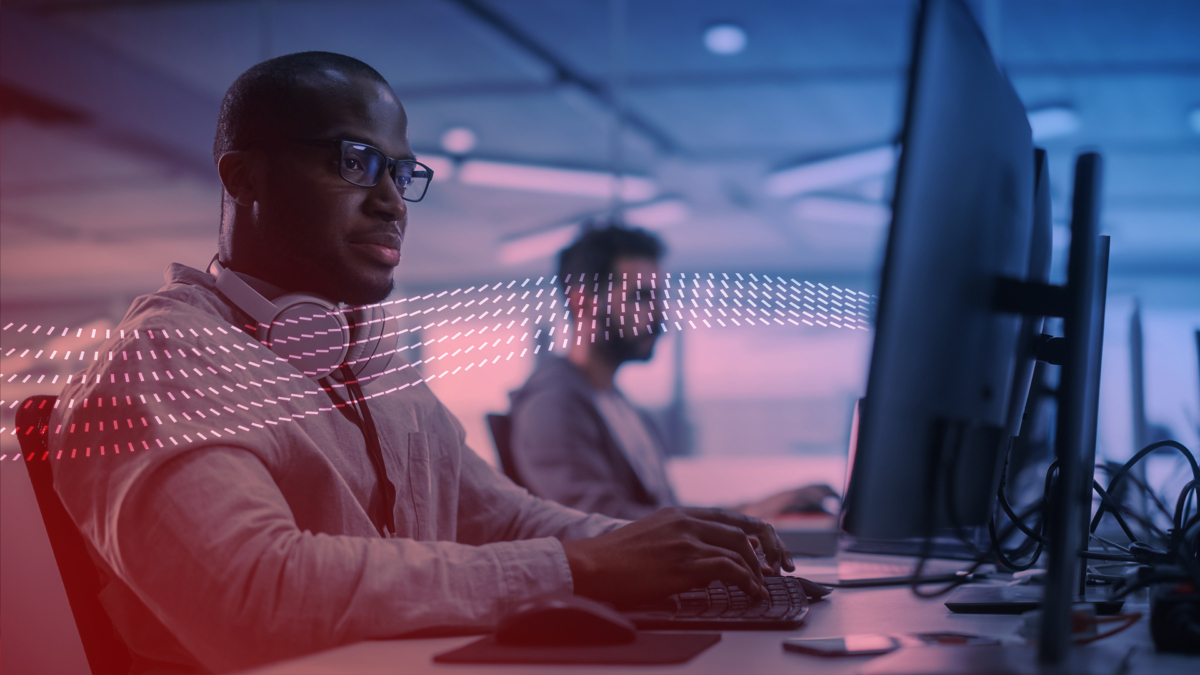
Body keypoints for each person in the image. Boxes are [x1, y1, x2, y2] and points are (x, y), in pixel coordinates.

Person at [48, 52, 791, 673]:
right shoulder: (166, 357)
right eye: (354, 160)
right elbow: (255, 595)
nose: (391, 201)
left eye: (400, 173)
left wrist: (661, 546)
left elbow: (503, 518)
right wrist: (582, 568)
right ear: (243, 178)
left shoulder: (369, 357)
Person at [508, 223, 837, 520]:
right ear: (584, 303)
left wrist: (755, 511)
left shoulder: (616, 403)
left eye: (659, 297)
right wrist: (748, 515)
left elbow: (660, 514)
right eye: (641, 297)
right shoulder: (553, 404)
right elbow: (600, 525)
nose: (659, 316)